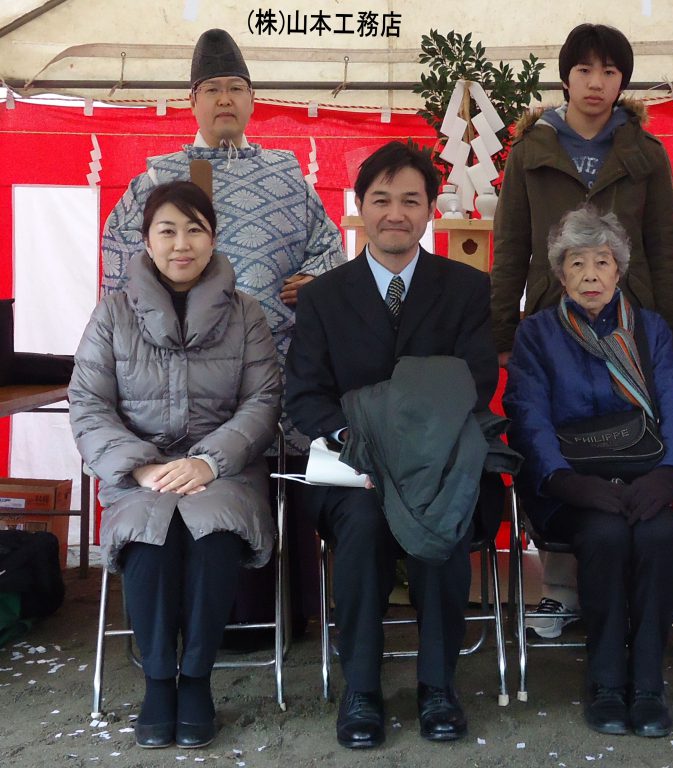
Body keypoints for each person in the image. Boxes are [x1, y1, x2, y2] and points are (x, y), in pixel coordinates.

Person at [101, 27, 344, 637]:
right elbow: (116, 260)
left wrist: (317, 280)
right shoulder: (156, 179)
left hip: (267, 373)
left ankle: (270, 621)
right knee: (175, 496)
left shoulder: (286, 176)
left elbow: (330, 248)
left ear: (253, 100)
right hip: (169, 379)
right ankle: (179, 631)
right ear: (193, 103)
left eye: (237, 88)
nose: (225, 99)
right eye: (212, 89)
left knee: (262, 488)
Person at [285, 141, 499, 749]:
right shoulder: (325, 297)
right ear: (360, 208)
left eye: (411, 199)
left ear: (431, 208)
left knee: (443, 516)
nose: (396, 213)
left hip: (442, 463)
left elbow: (475, 380)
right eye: (381, 200)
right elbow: (305, 396)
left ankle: (437, 686)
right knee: (360, 528)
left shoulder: (462, 288)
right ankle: (361, 690)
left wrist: (412, 446)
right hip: (354, 469)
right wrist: (363, 444)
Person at [69, 181, 281, 749]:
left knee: (213, 538)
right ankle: (159, 682)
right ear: (146, 240)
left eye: (195, 229)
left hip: (225, 470)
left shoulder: (247, 314)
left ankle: (197, 681)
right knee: (150, 538)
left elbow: (263, 401)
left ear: (213, 239)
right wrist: (138, 468)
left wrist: (211, 463)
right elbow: (88, 403)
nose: (181, 243)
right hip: (141, 474)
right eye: (167, 230)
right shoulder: (113, 313)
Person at [491, 22, 673, 639]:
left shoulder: (645, 152)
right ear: (566, 76)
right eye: (584, 71)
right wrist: (502, 328)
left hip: (634, 319)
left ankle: (627, 583)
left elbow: (665, 247)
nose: (596, 83)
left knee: (633, 442)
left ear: (622, 81)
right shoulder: (531, 149)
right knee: (562, 435)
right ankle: (560, 591)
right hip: (556, 316)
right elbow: (511, 246)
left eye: (609, 72)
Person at [503, 205, 673, 738]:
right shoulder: (537, 334)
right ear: (560, 274)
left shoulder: (648, 329)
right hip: (571, 488)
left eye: (602, 262)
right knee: (607, 537)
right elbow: (527, 415)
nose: (590, 275)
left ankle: (649, 682)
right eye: (577, 263)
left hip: (645, 478)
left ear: (619, 271)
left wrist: (671, 475)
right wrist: (566, 481)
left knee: (661, 537)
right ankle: (607, 679)